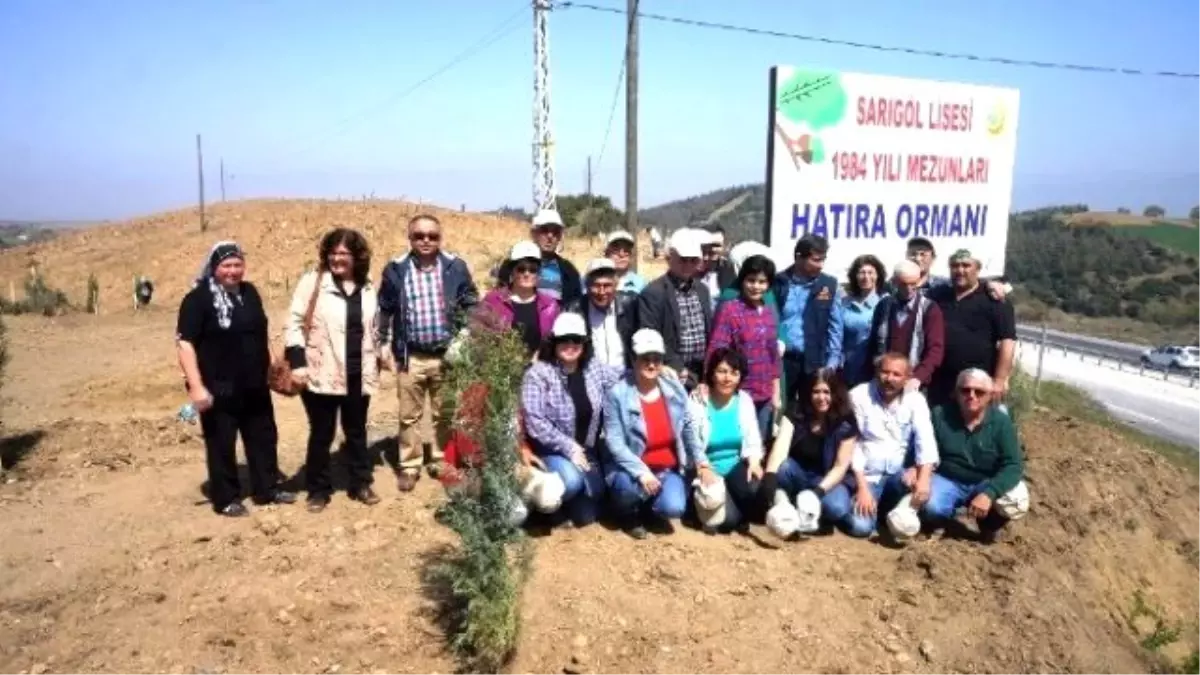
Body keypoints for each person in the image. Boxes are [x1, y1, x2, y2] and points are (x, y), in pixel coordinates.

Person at [175, 241, 294, 517]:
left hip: (255, 385)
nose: (233, 271)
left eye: (237, 265)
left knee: (264, 437)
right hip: (219, 387)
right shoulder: (198, 300)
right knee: (221, 443)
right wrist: (196, 386)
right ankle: (226, 497)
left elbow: (260, 332)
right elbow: (185, 345)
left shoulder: (250, 293)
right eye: (226, 265)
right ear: (214, 267)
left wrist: (274, 366)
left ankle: (267, 489)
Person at [378, 214, 480, 492]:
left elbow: (470, 301)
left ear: (439, 238)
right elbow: (385, 309)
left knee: (444, 413)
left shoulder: (455, 267)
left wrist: (464, 336)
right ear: (409, 238)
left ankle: (439, 460)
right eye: (419, 236)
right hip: (410, 356)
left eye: (432, 236)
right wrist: (384, 343)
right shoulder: (396, 270)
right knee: (408, 415)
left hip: (446, 355)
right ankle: (409, 465)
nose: (426, 240)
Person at [286, 228, 382, 511]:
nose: (337, 259)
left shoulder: (367, 285)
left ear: (356, 256)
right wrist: (298, 362)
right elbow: (293, 322)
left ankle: (360, 483)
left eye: (344, 253)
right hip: (321, 371)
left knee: (356, 431)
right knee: (322, 432)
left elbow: (375, 326)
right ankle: (318, 489)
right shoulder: (312, 282)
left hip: (357, 371)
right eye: (333, 253)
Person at [520, 313, 621, 527]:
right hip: (551, 450)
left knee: (587, 514)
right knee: (572, 483)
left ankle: (561, 505)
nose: (570, 345)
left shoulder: (593, 367)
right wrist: (568, 447)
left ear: (585, 343)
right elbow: (535, 422)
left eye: (576, 340)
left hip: (586, 449)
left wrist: (658, 371)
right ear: (554, 342)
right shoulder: (538, 374)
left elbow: (622, 379)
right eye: (564, 339)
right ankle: (537, 504)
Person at [603, 328, 704, 539]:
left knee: (674, 508)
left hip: (666, 468)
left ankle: (648, 510)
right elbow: (615, 442)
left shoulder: (674, 389)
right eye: (645, 358)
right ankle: (627, 514)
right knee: (626, 489)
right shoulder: (617, 394)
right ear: (633, 358)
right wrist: (641, 472)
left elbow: (687, 426)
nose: (651, 364)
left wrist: (700, 461)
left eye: (657, 359)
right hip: (632, 469)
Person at [922, 368, 1029, 543]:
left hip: (984, 482)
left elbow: (1014, 465)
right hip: (948, 478)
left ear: (990, 396)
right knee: (931, 506)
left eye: (979, 392)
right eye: (965, 390)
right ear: (956, 393)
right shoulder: (940, 415)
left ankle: (989, 526)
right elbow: (925, 450)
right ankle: (941, 521)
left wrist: (989, 493)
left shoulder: (1002, 423)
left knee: (1017, 498)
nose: (971, 395)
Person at [844, 352, 939, 538]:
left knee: (927, 496)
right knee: (860, 528)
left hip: (898, 475)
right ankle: (862, 506)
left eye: (896, 374)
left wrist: (923, 477)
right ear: (876, 372)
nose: (889, 379)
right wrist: (862, 487)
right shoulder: (858, 396)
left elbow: (925, 440)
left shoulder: (916, 400)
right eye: (885, 372)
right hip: (868, 476)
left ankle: (886, 511)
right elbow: (852, 445)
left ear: (907, 378)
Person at [760, 369, 857, 532]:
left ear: (836, 393)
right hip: (798, 474)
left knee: (837, 508)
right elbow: (780, 449)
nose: (821, 397)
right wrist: (769, 477)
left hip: (828, 480)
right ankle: (787, 506)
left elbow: (841, 467)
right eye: (816, 392)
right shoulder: (796, 412)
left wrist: (817, 493)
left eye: (827, 392)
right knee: (783, 468)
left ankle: (813, 516)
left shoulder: (846, 421)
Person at [926, 249, 1017, 409]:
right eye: (955, 266)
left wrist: (1000, 380)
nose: (960, 270)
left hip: (977, 385)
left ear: (977, 269)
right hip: (940, 383)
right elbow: (915, 283)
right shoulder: (938, 295)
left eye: (966, 265)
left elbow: (1007, 342)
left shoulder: (995, 300)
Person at [703, 254, 782, 439]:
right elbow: (716, 350)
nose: (756, 286)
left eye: (762, 282)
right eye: (751, 280)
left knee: (759, 445)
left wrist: (776, 393)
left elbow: (774, 356)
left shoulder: (769, 312)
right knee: (738, 443)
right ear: (742, 280)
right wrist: (708, 383)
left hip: (765, 394)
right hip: (738, 393)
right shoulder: (730, 309)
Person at [688, 348, 764, 533]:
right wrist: (702, 467)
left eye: (733, 373)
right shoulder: (698, 400)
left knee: (755, 488)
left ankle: (734, 507)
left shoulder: (744, 401)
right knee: (728, 521)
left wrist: (754, 462)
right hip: (708, 468)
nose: (727, 378)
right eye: (721, 371)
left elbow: (752, 437)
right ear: (712, 373)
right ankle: (711, 510)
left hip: (734, 465)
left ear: (740, 377)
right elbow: (691, 442)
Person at [637, 228, 712, 391]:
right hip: (671, 375)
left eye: (693, 260)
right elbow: (651, 335)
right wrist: (677, 367)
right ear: (670, 258)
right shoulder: (654, 293)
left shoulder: (703, 290)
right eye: (683, 259)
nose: (688, 264)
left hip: (702, 375)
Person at [774, 234, 844, 405]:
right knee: (782, 410)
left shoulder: (829, 285)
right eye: (815, 260)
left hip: (814, 362)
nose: (821, 265)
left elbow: (835, 327)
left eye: (823, 260)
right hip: (784, 362)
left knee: (811, 412)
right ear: (799, 257)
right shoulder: (778, 283)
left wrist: (831, 364)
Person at [862, 260, 945, 391]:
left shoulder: (929, 309)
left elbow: (935, 349)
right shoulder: (884, 305)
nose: (909, 289)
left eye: (913, 284)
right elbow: (873, 344)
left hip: (914, 381)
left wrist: (919, 377)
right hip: (885, 379)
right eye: (903, 284)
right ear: (894, 282)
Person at [480, 241, 560, 358]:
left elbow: (557, 344)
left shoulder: (550, 305)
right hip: (501, 371)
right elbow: (479, 338)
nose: (527, 274)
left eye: (533, 269)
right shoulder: (493, 300)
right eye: (521, 269)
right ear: (512, 270)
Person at [562, 258, 636, 370]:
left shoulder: (630, 306)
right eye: (596, 285)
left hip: (625, 377)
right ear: (587, 286)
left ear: (616, 285)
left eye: (607, 285)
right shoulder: (574, 310)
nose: (602, 292)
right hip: (590, 378)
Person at [840, 255, 885, 389]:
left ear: (878, 276)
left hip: (873, 367)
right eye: (862, 272)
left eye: (870, 272)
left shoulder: (885, 302)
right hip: (847, 367)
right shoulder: (844, 302)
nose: (866, 277)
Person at [529, 209, 583, 304]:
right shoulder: (517, 265)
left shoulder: (569, 271)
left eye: (555, 232)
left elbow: (575, 305)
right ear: (534, 234)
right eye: (544, 230)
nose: (550, 236)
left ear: (559, 237)